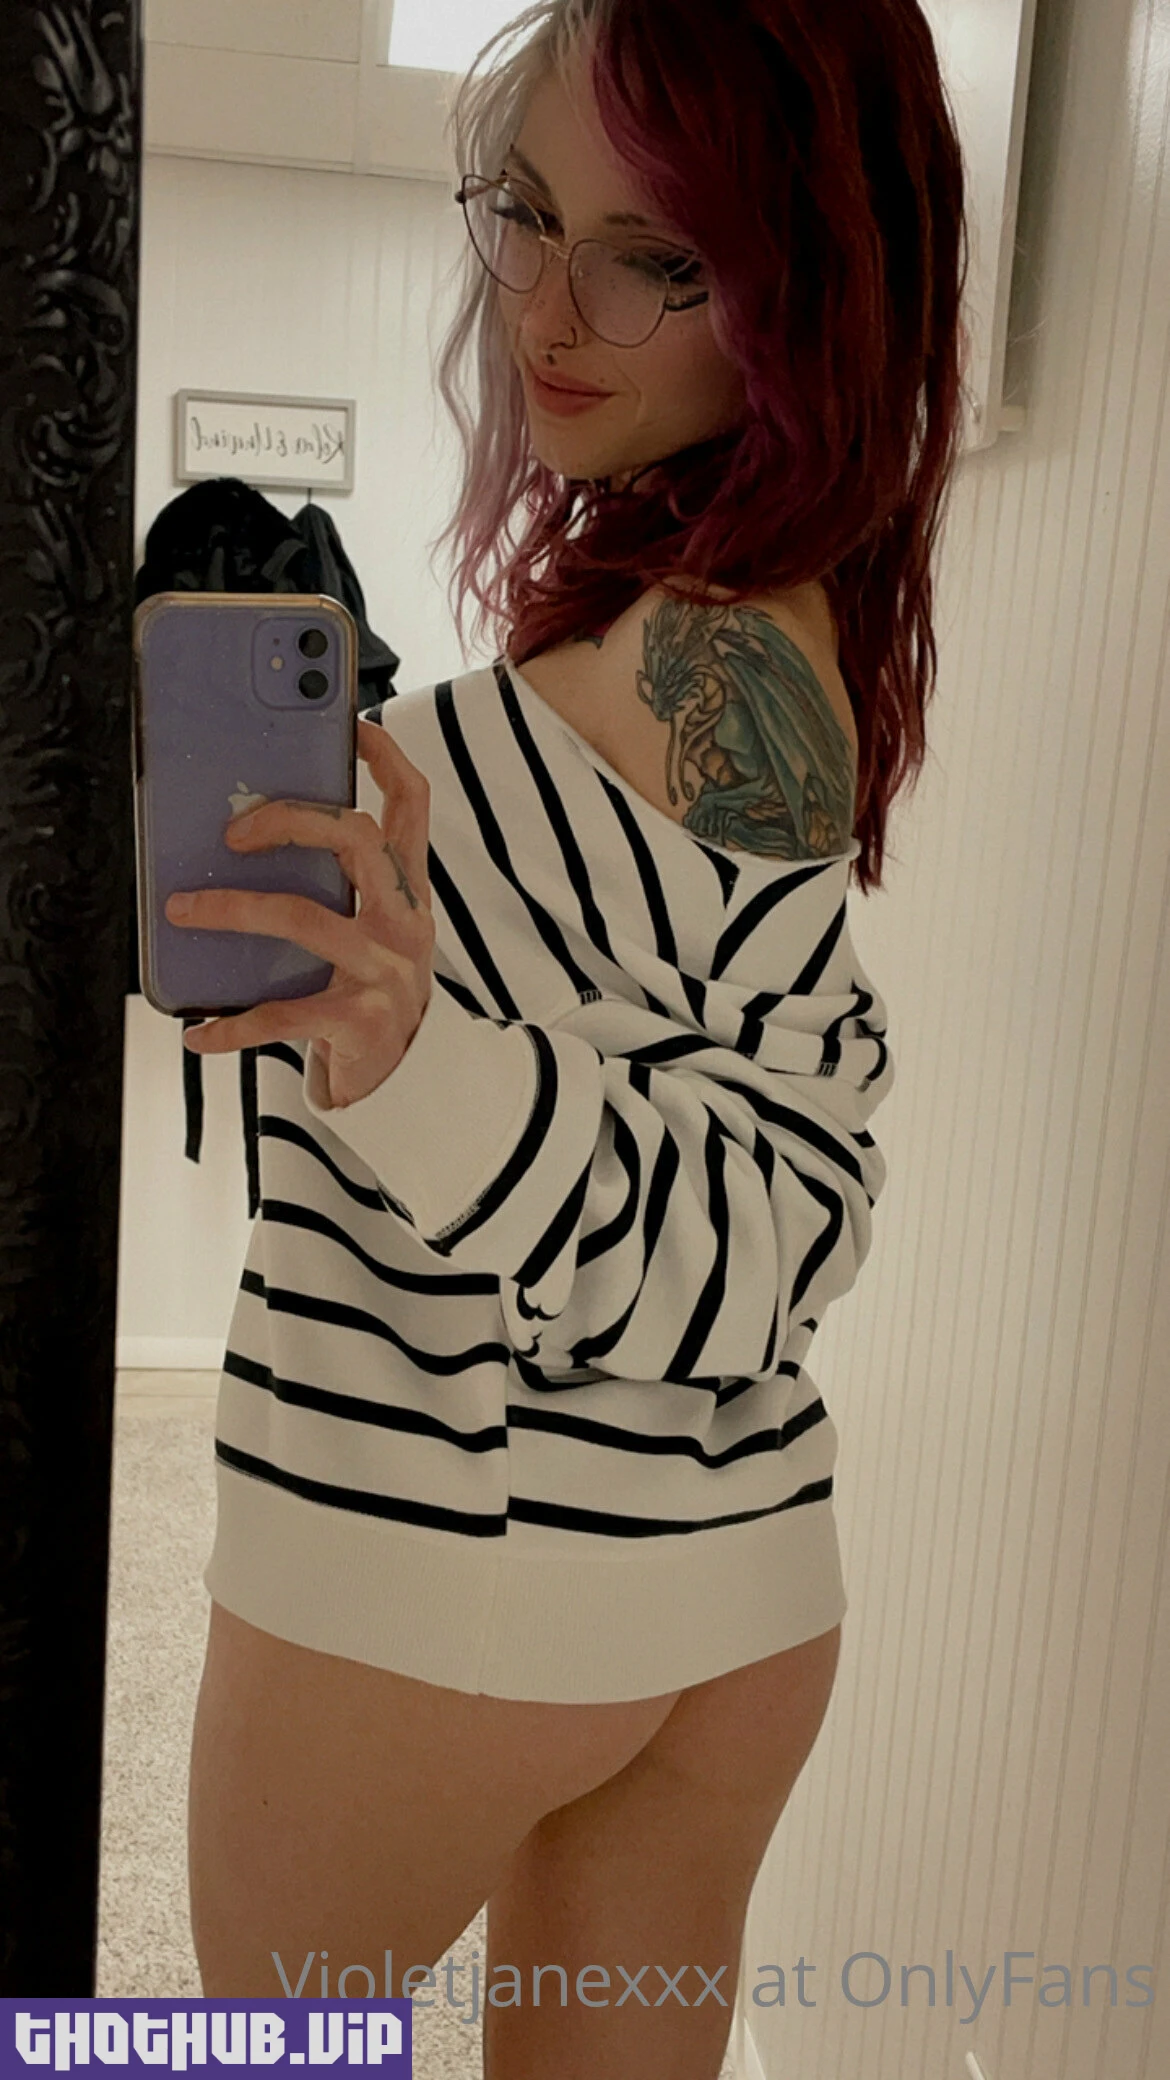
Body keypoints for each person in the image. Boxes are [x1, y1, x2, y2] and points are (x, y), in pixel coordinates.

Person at [180, 0, 967, 2070]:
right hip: (729, 1589)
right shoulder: (765, 641)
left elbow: (779, 1210)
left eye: (658, 256)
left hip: (436, 1559)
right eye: (526, 214)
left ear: (812, 282)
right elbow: (775, 1159)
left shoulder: (690, 670)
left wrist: (409, 1052)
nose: (547, 307)